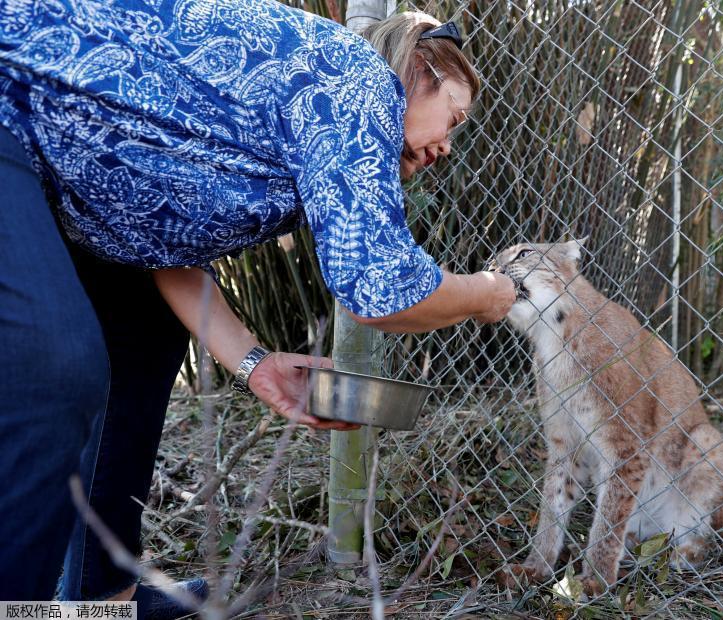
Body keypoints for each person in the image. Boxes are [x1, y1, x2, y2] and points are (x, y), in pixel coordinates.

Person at [0, 0, 516, 610]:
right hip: (17, 106)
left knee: (144, 336)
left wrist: (259, 368)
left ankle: (99, 599)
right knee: (54, 368)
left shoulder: (317, 133)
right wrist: (484, 294)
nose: (448, 147)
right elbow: (382, 288)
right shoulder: (357, 85)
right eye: (451, 118)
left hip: (79, 178)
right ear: (419, 72)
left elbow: (164, 245)